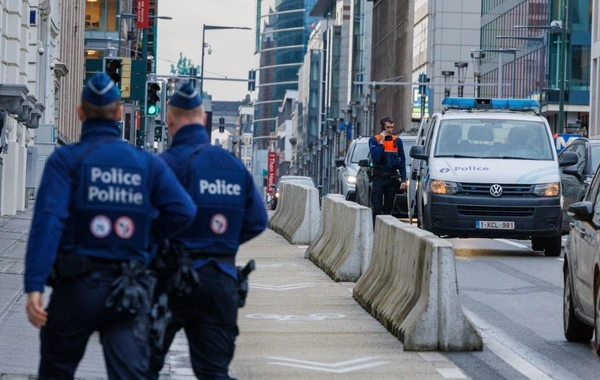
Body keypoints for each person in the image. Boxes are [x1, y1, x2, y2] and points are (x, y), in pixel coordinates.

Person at [24, 72, 197, 380]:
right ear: (119, 113)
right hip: (128, 289)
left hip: (75, 288)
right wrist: (146, 237)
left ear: (80, 113)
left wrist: (35, 285)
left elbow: (48, 221)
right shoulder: (146, 163)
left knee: (56, 370)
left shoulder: (67, 160)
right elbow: (182, 210)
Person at [148, 82, 268, 379]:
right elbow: (258, 220)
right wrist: (222, 242)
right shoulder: (232, 166)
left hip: (170, 281)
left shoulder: (163, 165)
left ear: (170, 120)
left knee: (142, 366)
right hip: (221, 281)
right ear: (203, 120)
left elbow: (145, 222)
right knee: (214, 372)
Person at [368, 116, 407, 226]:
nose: (390, 130)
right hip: (379, 178)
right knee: (377, 206)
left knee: (389, 208)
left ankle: (385, 230)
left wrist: (403, 180)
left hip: (391, 179)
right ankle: (375, 230)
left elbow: (402, 162)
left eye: (392, 127)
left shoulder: (397, 141)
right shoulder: (374, 140)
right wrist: (381, 142)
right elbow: (376, 157)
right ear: (382, 127)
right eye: (388, 127)